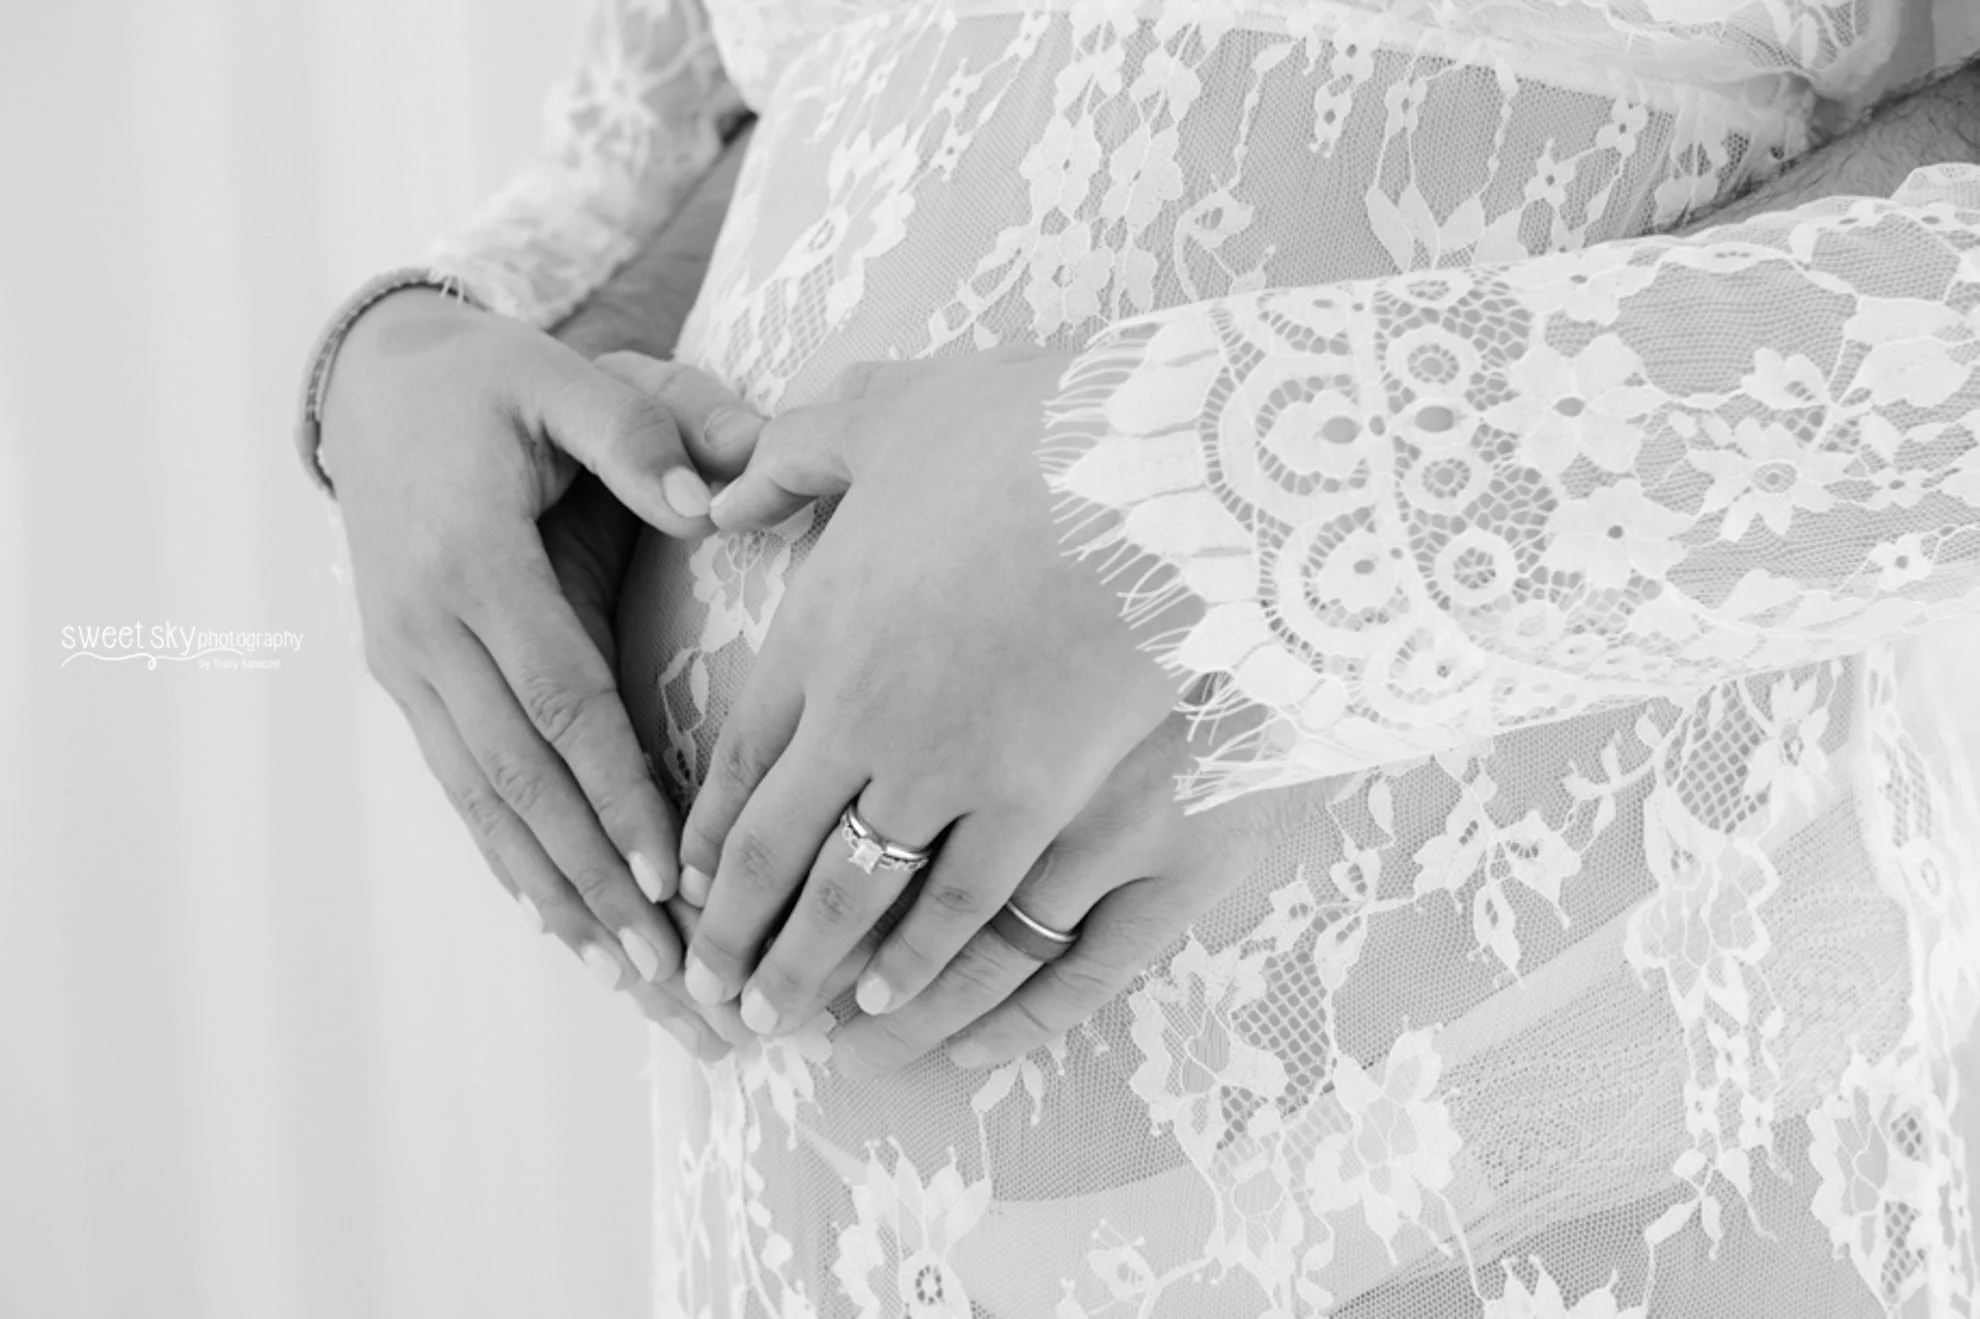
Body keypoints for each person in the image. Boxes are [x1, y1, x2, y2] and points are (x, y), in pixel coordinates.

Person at [303, 0, 1980, 1313]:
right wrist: (423, 348)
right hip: (806, 1212)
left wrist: (1238, 506)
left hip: (1554, 1128)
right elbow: (721, 108)